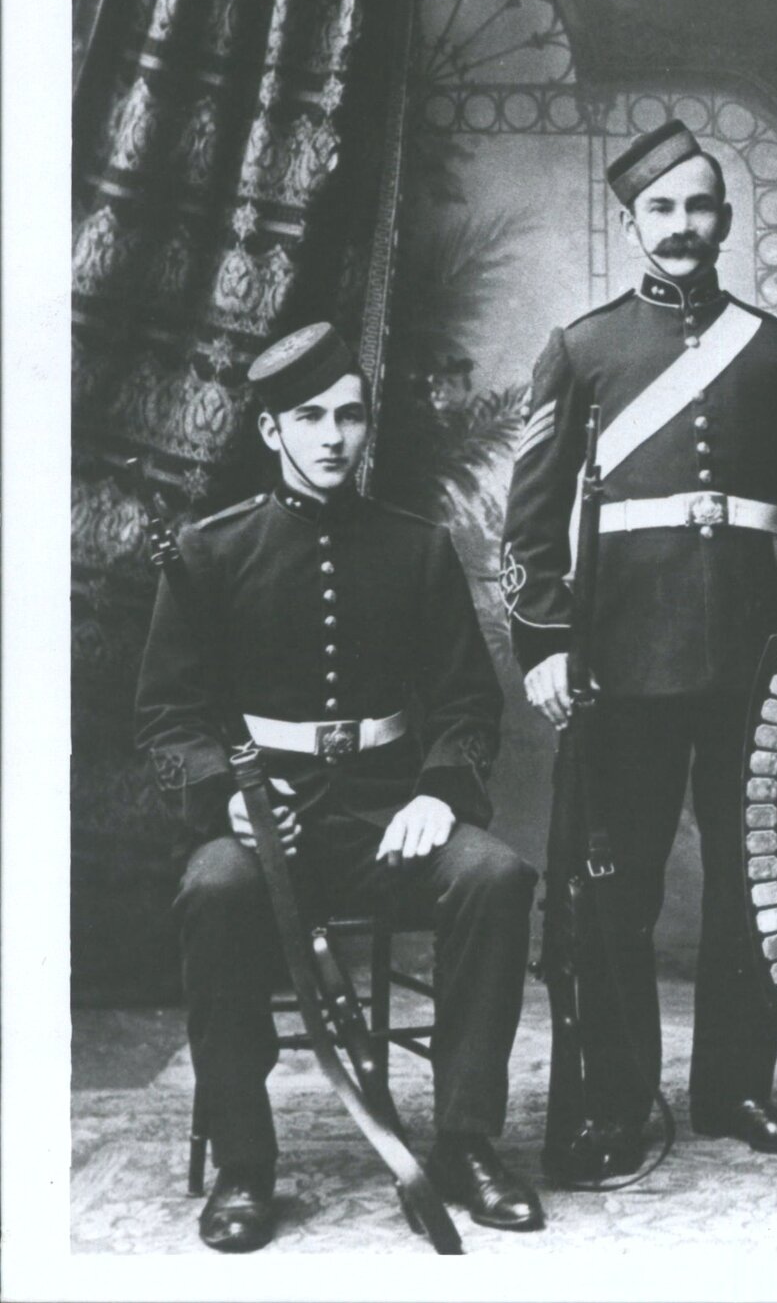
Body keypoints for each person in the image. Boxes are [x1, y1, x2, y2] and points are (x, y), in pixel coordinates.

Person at [137, 323, 541, 1251]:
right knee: (213, 889)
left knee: (494, 875)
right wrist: (226, 800)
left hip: (386, 814)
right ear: (271, 429)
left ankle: (467, 1145)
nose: (332, 437)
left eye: (348, 417)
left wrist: (438, 795)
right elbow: (167, 719)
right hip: (260, 823)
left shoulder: (417, 547)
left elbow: (467, 704)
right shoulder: (210, 551)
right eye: (310, 418)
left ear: (366, 427)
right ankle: (245, 1164)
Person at [501, 120, 777, 1183]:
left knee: (750, 882)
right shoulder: (584, 350)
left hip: (754, 659)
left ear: (726, 220)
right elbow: (529, 521)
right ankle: (616, 1100)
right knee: (617, 890)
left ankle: (735, 1087)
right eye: (661, 208)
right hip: (623, 660)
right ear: (632, 223)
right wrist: (545, 642)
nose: (682, 225)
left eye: (699, 206)